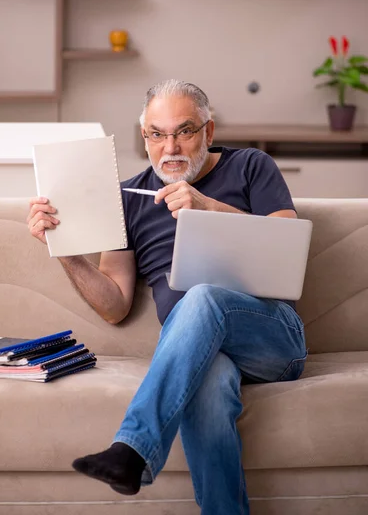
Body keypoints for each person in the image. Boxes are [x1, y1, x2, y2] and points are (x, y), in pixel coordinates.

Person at [27, 80, 307, 515]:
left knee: (201, 297)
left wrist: (207, 207)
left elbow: (289, 247)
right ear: (145, 139)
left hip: (273, 339)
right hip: (199, 353)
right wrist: (64, 252)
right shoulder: (128, 198)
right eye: (157, 134)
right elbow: (115, 305)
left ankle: (132, 449)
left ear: (209, 133)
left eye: (185, 131)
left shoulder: (251, 166)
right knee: (207, 386)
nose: (170, 146)